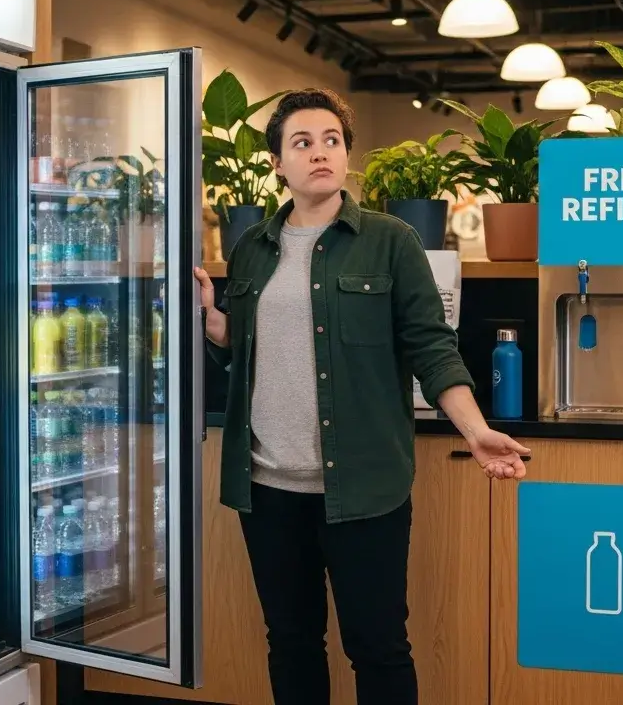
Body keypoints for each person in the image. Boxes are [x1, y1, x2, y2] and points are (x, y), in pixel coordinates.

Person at [191, 88, 529, 705]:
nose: (319, 152)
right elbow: (249, 349)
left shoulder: (391, 240)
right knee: (290, 641)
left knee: (377, 647)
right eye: (302, 142)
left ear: (346, 155)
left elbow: (432, 348)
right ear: (277, 165)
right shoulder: (249, 250)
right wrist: (220, 329)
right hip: (266, 489)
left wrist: (475, 430)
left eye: (332, 141)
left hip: (364, 488)